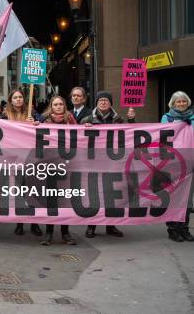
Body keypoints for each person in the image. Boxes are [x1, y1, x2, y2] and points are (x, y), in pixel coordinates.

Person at [81, 91, 135, 238]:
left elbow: (130, 134)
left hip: (113, 162)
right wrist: (84, 128)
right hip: (94, 162)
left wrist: (131, 120)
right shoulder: (87, 119)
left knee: (111, 194)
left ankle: (110, 225)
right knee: (94, 194)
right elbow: (78, 138)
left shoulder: (118, 120)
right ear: (96, 103)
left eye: (106, 100)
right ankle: (91, 226)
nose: (103, 102)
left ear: (111, 103)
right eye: (101, 100)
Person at [2, 88, 43, 236]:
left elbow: (43, 124)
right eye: (15, 97)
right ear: (11, 100)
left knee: (33, 191)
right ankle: (19, 223)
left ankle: (34, 223)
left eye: (20, 97)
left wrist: (36, 122)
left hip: (31, 158)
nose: (18, 99)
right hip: (14, 158)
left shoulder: (31, 112)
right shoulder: (5, 115)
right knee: (19, 192)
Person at [38, 96, 77, 246]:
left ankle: (65, 233)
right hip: (49, 165)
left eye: (61, 104)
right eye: (56, 104)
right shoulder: (43, 120)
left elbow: (80, 136)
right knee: (51, 200)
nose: (59, 106)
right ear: (51, 106)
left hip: (67, 164)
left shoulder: (70, 119)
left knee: (65, 200)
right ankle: (48, 233)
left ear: (64, 106)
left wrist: (86, 127)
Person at [160, 91, 194, 242]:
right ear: (172, 104)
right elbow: (161, 138)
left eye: (183, 101)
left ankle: (184, 228)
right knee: (174, 196)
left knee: (187, 197)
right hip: (173, 163)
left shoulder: (193, 119)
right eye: (178, 102)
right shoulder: (167, 118)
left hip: (190, 163)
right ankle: (173, 229)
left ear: (188, 103)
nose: (181, 104)